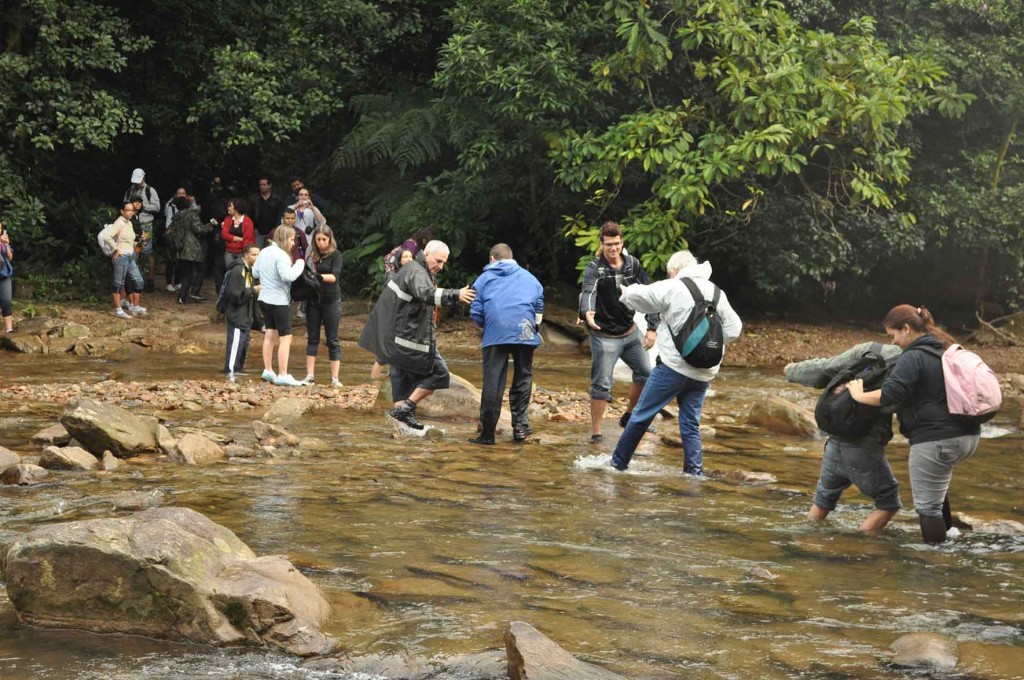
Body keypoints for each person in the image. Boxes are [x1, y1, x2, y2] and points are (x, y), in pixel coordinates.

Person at [848, 305, 982, 543]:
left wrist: (858, 396)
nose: (894, 342)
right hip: (968, 435)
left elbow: (890, 394)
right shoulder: (944, 347)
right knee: (936, 488)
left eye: (894, 335)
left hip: (935, 439)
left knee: (927, 507)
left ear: (906, 329)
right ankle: (949, 536)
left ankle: (932, 561)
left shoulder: (914, 355)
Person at [609, 250, 742, 475]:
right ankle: (694, 473)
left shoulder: (674, 286)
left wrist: (624, 289)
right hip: (704, 372)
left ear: (674, 271)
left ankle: (617, 465)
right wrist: (704, 346)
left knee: (641, 415)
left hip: (673, 368)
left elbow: (640, 298)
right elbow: (734, 329)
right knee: (690, 424)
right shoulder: (717, 292)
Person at [358, 240, 476, 431]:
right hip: (408, 338)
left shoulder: (415, 269)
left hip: (399, 337)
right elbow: (426, 294)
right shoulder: (417, 272)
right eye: (438, 260)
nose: (441, 266)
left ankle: (402, 434)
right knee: (440, 374)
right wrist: (455, 294)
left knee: (401, 382)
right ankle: (406, 410)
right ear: (427, 254)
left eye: (444, 262)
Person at [786, 343, 903, 532]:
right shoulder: (910, 360)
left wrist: (792, 370)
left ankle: (807, 540)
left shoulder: (869, 349)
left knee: (823, 499)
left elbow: (826, 368)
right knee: (888, 502)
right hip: (864, 445)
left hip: (834, 441)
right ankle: (862, 545)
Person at [580, 221, 659, 443]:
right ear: (602, 244)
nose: (613, 248)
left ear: (622, 242)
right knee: (601, 385)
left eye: (616, 244)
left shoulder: (633, 265)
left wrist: (652, 327)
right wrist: (587, 312)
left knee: (646, 373)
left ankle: (630, 415)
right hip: (604, 335)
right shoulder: (595, 267)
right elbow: (589, 291)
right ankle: (596, 432)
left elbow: (650, 295)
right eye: (608, 245)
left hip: (630, 331)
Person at [468, 243, 544, 445]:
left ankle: (488, 435)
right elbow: (539, 305)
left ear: (492, 259)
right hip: (524, 331)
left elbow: (475, 311)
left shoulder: (484, 278)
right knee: (523, 377)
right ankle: (520, 428)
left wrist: (489, 325)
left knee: (493, 382)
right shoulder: (530, 278)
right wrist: (534, 326)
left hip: (496, 332)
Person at [252, 225, 306, 387]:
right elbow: (287, 276)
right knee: (286, 337)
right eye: (291, 239)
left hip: (264, 299)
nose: (293, 243)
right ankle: (283, 374)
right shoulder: (282, 255)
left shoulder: (264, 252)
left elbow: (255, 273)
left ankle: (268, 370)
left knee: (270, 334)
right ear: (283, 238)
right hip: (279, 301)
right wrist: (300, 264)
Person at [302, 224, 344, 387]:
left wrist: (316, 275)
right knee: (313, 338)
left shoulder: (336, 255)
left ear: (329, 239)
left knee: (332, 339)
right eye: (318, 239)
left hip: (331, 299)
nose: (320, 242)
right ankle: (310, 376)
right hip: (313, 300)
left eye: (323, 239)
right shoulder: (311, 255)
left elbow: (334, 277)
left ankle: (335, 378)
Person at [99, 201, 147, 318]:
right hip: (121, 257)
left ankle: (135, 306)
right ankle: (118, 310)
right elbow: (107, 236)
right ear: (122, 211)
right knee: (118, 283)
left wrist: (139, 243)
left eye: (132, 210)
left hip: (129, 256)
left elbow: (128, 241)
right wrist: (116, 249)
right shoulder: (119, 222)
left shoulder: (129, 223)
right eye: (128, 210)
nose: (130, 212)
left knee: (139, 280)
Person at [223, 243, 262, 379]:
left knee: (242, 347)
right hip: (237, 315)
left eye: (259, 255)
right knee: (235, 347)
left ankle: (237, 371)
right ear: (246, 255)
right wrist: (253, 290)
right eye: (254, 255)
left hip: (246, 316)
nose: (257, 258)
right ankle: (230, 374)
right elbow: (234, 294)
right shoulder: (238, 270)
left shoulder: (249, 270)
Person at [168, 196, 213, 304]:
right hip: (193, 248)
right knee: (201, 269)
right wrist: (211, 225)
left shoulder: (176, 217)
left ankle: (182, 297)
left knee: (186, 274)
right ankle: (195, 291)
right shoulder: (192, 215)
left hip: (181, 248)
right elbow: (199, 229)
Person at [123, 168, 160, 292]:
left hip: (146, 225)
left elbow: (157, 207)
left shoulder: (150, 190)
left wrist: (144, 207)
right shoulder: (129, 191)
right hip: (132, 224)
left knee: (147, 251)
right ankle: (133, 280)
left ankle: (150, 280)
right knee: (134, 251)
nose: (136, 184)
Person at [220, 198, 256, 270]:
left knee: (241, 272)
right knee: (229, 272)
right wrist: (239, 239)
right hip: (229, 251)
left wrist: (245, 254)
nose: (228, 208)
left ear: (236, 208)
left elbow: (247, 239)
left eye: (230, 206)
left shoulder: (247, 221)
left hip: (241, 252)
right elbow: (224, 234)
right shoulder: (228, 219)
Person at [250, 176, 285, 247]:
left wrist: (276, 229)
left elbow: (279, 215)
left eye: (264, 185)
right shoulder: (254, 199)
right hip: (258, 231)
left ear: (269, 185)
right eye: (260, 185)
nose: (262, 187)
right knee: (257, 251)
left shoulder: (276, 199)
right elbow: (250, 214)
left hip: (272, 231)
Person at [0, 222, 14, 332]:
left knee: (6, 301)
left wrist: (6, 245)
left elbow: (10, 257)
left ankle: (9, 329)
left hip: (4, 274)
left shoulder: (3, 242)